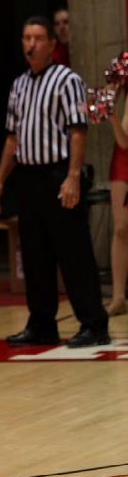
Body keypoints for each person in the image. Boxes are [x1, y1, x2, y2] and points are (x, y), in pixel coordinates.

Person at [0, 16, 109, 347]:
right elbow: (12, 139)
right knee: (35, 253)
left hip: (58, 174)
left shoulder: (67, 80)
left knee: (74, 252)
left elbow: (78, 130)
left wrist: (72, 177)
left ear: (51, 44)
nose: (30, 44)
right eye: (26, 38)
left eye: (38, 38)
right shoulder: (19, 85)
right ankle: (41, 323)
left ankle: (94, 323)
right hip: (28, 177)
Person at [107, 85, 128, 316]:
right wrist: (110, 111)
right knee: (121, 227)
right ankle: (118, 297)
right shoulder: (124, 65)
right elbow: (104, 99)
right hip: (124, 152)